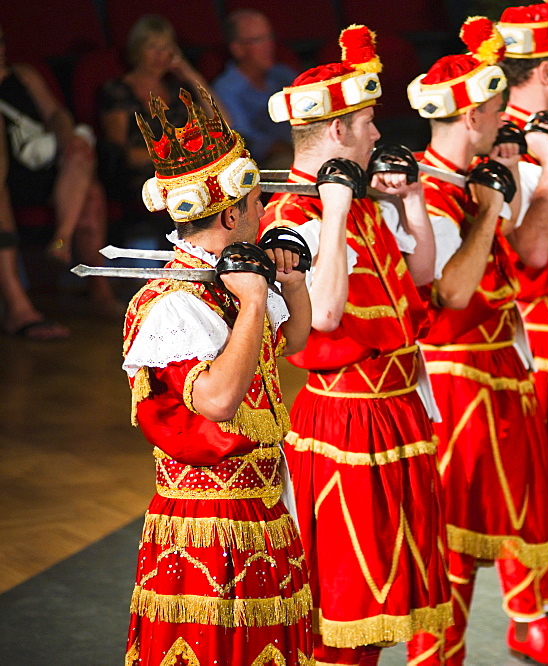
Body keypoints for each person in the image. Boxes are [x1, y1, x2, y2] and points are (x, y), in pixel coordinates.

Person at [408, 15, 548, 665]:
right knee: (457, 538)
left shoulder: (474, 173)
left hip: (498, 370)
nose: (506, 121)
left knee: (512, 510)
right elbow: (455, 294)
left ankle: (530, 617)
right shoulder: (433, 193)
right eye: (497, 111)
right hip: (457, 381)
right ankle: (438, 655)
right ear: (471, 119)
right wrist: (493, 203)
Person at [259, 25, 451, 665]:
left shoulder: (360, 201)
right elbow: (326, 316)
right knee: (350, 602)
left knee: (392, 589)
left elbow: (420, 277)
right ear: (338, 132)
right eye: (366, 123)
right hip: (346, 419)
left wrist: (414, 205)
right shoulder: (292, 218)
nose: (376, 134)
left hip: (394, 411)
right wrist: (336, 212)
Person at [121, 86, 313, 664]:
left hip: (263, 506)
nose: (265, 211)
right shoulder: (173, 303)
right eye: (257, 203)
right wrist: (253, 302)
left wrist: (292, 285)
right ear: (232, 212)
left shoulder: (236, 280)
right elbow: (221, 401)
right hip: (207, 525)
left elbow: (295, 343)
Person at [0, 21, 117, 337]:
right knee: (86, 189)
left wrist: (67, 137)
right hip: (11, 177)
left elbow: (55, 113)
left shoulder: (23, 75)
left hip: (47, 163)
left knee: (87, 180)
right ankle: (63, 247)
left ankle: (96, 287)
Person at [100, 14, 219, 206]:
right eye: (152, 47)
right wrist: (175, 155)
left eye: (165, 48)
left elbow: (223, 123)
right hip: (146, 178)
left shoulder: (176, 90)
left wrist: (190, 74)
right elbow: (120, 154)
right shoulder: (117, 91)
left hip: (187, 173)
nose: (159, 55)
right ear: (138, 49)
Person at [213, 9, 296, 169]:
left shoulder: (282, 74)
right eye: (259, 40)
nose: (269, 46)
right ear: (238, 49)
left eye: (270, 37)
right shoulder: (225, 89)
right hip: (262, 165)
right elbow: (245, 140)